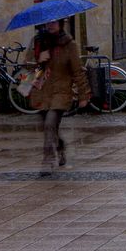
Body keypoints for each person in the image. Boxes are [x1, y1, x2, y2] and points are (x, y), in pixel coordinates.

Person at [25, 20, 90, 176]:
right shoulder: (37, 42)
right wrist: (38, 59)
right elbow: (26, 66)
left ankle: (47, 161)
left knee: (50, 123)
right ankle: (60, 146)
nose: (50, 25)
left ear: (60, 24)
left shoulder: (69, 44)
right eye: (48, 23)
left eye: (54, 23)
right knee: (48, 127)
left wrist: (83, 95)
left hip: (61, 91)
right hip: (41, 91)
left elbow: (77, 71)